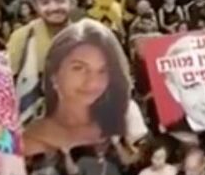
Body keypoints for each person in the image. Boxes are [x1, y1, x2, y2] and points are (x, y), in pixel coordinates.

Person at [22, 18, 131, 156]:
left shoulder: (120, 125)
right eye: (79, 68)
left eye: (102, 70)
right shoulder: (28, 140)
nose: (92, 82)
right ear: (54, 73)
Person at [7, 0, 74, 123]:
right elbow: (3, 87)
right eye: (45, 2)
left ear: (71, 0)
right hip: (30, 126)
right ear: (34, 5)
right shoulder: (22, 37)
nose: (54, 7)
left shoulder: (88, 36)